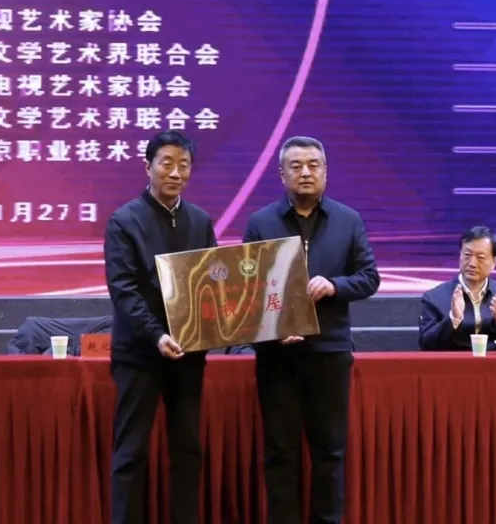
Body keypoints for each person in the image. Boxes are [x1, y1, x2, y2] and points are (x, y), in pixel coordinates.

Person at [242, 136, 379, 524]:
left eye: (313, 165)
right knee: (279, 453)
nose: (305, 172)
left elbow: (369, 277)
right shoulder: (261, 222)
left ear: (325, 171)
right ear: (281, 173)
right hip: (277, 355)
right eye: (296, 165)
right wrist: (270, 332)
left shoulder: (348, 220)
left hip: (329, 353)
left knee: (329, 451)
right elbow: (244, 291)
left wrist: (335, 285)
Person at [104, 130, 217, 524]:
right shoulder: (124, 220)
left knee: (188, 449)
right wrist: (156, 334)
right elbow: (124, 290)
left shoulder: (200, 221)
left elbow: (213, 284)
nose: (175, 173)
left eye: (184, 165)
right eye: (166, 163)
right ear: (147, 167)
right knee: (131, 451)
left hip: (188, 354)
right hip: (139, 354)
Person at [418, 226, 496, 351]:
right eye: (467, 255)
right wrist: (453, 319)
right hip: (453, 363)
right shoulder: (434, 297)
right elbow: (426, 345)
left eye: (480, 257)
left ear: (494, 262)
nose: (472, 263)